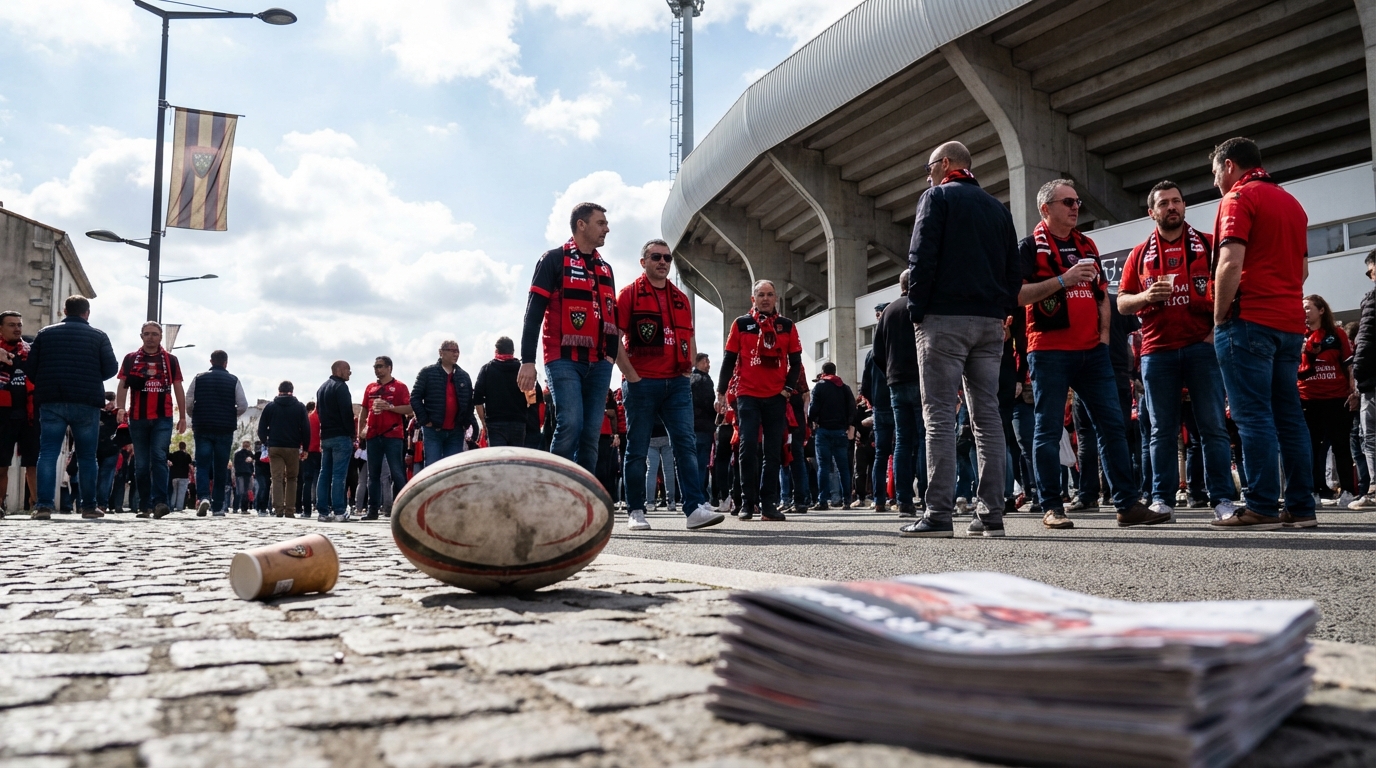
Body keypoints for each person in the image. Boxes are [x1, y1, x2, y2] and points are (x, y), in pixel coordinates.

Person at [1017, 178, 1166, 530]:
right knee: (1048, 429)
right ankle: (1052, 506)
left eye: (1077, 202)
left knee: (1113, 426)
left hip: (1091, 353)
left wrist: (1101, 341)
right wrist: (1063, 280)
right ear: (1045, 208)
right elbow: (1020, 296)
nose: (1075, 207)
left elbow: (1103, 297)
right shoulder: (1028, 247)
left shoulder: (1087, 244)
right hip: (1049, 351)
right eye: (1067, 202)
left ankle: (1127, 504)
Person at [901, 141, 1025, 538]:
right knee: (987, 417)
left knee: (937, 416)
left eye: (929, 166)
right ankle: (991, 514)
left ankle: (938, 514)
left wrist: (917, 311)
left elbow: (920, 256)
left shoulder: (936, 198)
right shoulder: (997, 208)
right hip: (990, 323)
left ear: (947, 164)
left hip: (943, 320)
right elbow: (1012, 270)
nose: (928, 174)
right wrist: (1003, 313)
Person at [1117, 181, 1239, 522]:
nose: (1172, 207)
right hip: (1157, 352)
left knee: (1213, 426)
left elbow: (1234, 289)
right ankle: (1161, 500)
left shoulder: (1210, 246)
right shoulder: (1138, 254)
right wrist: (1145, 298)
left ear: (1184, 206)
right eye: (1164, 203)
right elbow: (1123, 303)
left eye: (1177, 201)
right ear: (1151, 212)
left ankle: (1222, 500)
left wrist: (1215, 335)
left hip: (1202, 347)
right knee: (1161, 430)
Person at [1209, 137, 1315, 530]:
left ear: (1230, 166)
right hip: (1289, 323)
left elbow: (1229, 263)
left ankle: (1261, 505)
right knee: (1289, 417)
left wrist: (1220, 317)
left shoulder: (1238, 199)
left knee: (1253, 417)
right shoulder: (1292, 203)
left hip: (1250, 318)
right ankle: (1302, 507)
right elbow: (1303, 271)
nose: (1216, 180)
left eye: (1216, 172)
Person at [614, 239, 721, 531]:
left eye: (667, 258)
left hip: (676, 382)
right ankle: (636, 510)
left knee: (685, 445)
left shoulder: (680, 298)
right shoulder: (629, 295)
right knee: (636, 448)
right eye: (656, 257)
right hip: (642, 382)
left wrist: (687, 371)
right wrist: (631, 375)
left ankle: (694, 509)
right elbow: (613, 338)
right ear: (643, 262)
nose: (663, 262)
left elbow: (689, 337)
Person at [517, 202, 620, 475]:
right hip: (562, 358)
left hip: (599, 362)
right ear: (581, 225)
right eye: (601, 223)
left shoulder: (606, 268)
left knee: (590, 434)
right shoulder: (552, 259)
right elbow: (533, 314)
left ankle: (582, 497)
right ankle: (552, 485)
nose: (607, 229)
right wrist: (527, 360)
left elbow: (612, 317)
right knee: (571, 423)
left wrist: (610, 359)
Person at [23, 296, 119, 520]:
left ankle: (43, 505)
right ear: (87, 312)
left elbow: (30, 367)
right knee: (87, 456)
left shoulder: (45, 333)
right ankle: (88, 507)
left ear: (65, 310)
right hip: (86, 401)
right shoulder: (98, 336)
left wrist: (47, 380)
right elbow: (111, 368)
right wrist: (92, 377)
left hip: (52, 400)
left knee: (48, 453)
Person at [715, 280, 803, 521]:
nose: (766, 299)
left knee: (773, 451)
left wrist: (787, 390)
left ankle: (768, 504)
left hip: (776, 397)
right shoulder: (741, 324)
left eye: (770, 295)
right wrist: (721, 393)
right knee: (747, 449)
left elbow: (796, 363)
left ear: (776, 299)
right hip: (747, 395)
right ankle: (746, 502)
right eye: (761, 295)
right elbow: (728, 360)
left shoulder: (787, 326)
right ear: (753, 299)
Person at [115, 322, 186, 519]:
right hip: (138, 418)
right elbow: (123, 385)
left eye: (154, 334)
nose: (150, 337)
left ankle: (160, 502)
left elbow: (178, 387)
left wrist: (182, 416)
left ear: (161, 336)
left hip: (163, 417)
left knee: (159, 457)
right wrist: (120, 408)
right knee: (142, 464)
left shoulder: (171, 360)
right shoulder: (130, 359)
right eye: (146, 334)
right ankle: (144, 505)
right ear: (141, 336)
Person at [873, 271, 926, 519]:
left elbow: (877, 353)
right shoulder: (922, 305)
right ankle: (928, 497)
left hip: (895, 381)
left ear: (900, 285)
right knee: (927, 438)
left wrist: (889, 373)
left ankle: (904, 500)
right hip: (921, 377)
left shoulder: (888, 312)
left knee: (903, 441)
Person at [1299, 295, 1358, 508]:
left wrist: (1354, 392)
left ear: (1321, 310)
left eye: (1308, 308)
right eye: (1302, 308)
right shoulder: (1298, 335)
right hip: (1308, 398)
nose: (1304, 312)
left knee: (1341, 445)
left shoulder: (1337, 334)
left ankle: (1348, 491)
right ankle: (1313, 491)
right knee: (1311, 447)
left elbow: (1349, 365)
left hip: (1336, 398)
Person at [185, 349, 248, 517]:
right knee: (220, 467)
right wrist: (229, 415)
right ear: (226, 363)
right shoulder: (234, 380)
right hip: (224, 428)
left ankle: (204, 497)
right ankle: (218, 506)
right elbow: (242, 405)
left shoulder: (199, 378)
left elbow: (189, 401)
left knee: (203, 465)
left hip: (203, 426)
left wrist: (195, 415)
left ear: (211, 361)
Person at [360, 356, 412, 520]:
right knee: (373, 475)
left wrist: (391, 408)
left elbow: (410, 409)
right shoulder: (370, 388)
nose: (377, 369)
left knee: (397, 472)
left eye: (380, 366)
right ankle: (372, 510)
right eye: (375, 366)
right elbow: (363, 410)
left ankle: (404, 508)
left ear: (389, 367)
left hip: (393, 435)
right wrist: (361, 430)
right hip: (373, 435)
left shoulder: (400, 387)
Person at [411, 341, 473, 466]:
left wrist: (465, 423)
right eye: (452, 350)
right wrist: (424, 420)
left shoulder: (464, 376)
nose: (456, 354)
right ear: (441, 352)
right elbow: (415, 397)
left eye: (457, 351)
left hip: (456, 431)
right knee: (433, 468)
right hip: (433, 430)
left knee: (453, 469)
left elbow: (469, 402)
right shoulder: (427, 373)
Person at [0, 310, 37, 516]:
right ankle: (0, 504)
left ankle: (38, 504)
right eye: (12, 324)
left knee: (32, 462)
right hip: (3, 414)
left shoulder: (30, 351)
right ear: (1, 328)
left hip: (29, 413)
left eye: (19, 325)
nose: (17, 328)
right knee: (1, 463)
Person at [258, 380, 311, 518]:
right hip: (293, 447)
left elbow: (261, 428)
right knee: (292, 478)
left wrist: (266, 441)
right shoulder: (299, 407)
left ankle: (278, 509)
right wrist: (305, 447)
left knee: (277, 477)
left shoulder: (270, 407)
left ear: (278, 390)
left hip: (275, 446)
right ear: (292, 391)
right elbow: (306, 428)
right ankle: (290, 509)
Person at [808, 362, 856, 511]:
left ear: (823, 372)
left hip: (823, 431)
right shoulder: (844, 388)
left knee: (823, 467)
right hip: (840, 431)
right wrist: (849, 426)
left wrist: (813, 420)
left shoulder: (819, 387)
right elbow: (852, 408)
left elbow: (812, 410)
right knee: (843, 468)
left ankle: (822, 500)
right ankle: (846, 500)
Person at [862, 304, 894, 514]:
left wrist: (873, 402)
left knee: (881, 453)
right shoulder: (898, 344)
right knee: (902, 449)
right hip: (896, 401)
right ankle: (902, 499)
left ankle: (879, 500)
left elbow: (865, 384)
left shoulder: (873, 352)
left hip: (882, 405)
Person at [1351, 249, 1376, 509]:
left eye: (1370, 270)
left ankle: (1375, 489)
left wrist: (1358, 373)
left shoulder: (1373, 298)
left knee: (1371, 436)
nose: (1369, 276)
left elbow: (1366, 338)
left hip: (1373, 380)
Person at [316, 361, 354, 521]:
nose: (349, 373)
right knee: (338, 475)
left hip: (326, 435)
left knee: (324, 473)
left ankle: (323, 512)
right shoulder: (341, 387)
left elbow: (319, 411)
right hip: (340, 435)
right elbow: (346, 412)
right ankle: (339, 511)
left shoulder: (322, 388)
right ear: (339, 370)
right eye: (348, 370)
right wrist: (352, 433)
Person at [474, 337, 527, 448]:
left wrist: (483, 421)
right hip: (518, 422)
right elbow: (532, 396)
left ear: (496, 350)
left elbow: (477, 398)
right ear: (513, 351)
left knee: (498, 460)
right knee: (516, 461)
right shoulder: (522, 369)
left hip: (495, 422)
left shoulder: (487, 369)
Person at [690, 353, 717, 501]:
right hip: (704, 427)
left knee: (691, 463)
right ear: (698, 363)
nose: (708, 364)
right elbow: (708, 403)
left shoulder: (688, 380)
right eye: (706, 361)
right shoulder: (705, 380)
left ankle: (691, 494)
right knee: (702, 463)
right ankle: (701, 494)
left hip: (691, 427)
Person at [298, 401, 321, 515]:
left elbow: (302, 435)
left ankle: (307, 510)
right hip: (322, 451)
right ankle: (324, 507)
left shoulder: (309, 418)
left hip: (309, 452)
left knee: (307, 481)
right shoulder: (324, 417)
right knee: (324, 480)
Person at [167, 442, 193, 512]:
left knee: (174, 492)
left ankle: (171, 506)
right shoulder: (187, 455)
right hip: (184, 476)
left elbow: (168, 457)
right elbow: (190, 465)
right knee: (181, 493)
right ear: (185, 446)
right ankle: (179, 507)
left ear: (179, 446)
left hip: (174, 476)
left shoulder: (174, 454)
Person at [233, 440, 255, 514]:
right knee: (245, 490)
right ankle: (244, 508)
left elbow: (235, 464)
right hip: (247, 473)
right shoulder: (250, 454)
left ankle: (235, 507)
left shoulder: (237, 454)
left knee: (238, 491)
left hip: (239, 473)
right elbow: (251, 465)